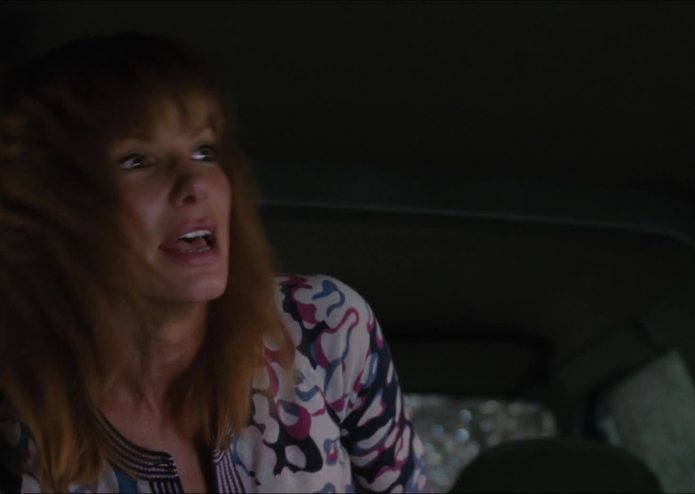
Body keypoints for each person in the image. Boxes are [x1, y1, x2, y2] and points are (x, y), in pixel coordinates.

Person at [0, 33, 430, 493]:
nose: (195, 182)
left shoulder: (320, 326)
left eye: (205, 151)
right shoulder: (14, 425)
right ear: (52, 209)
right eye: (138, 160)